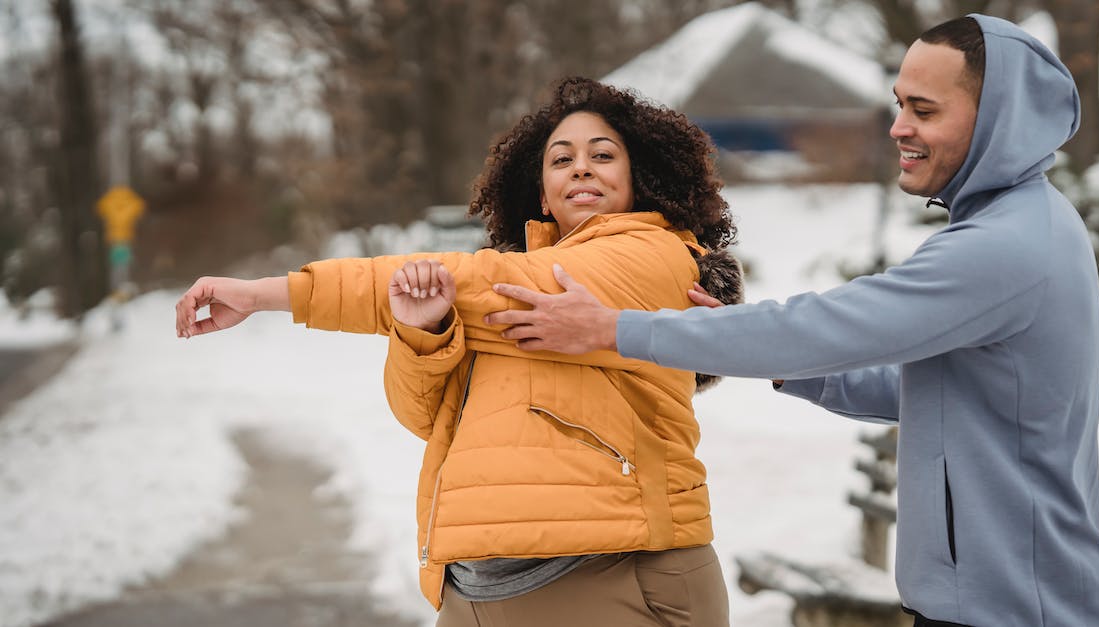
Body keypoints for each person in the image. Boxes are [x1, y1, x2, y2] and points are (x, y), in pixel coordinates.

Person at [482, 16, 1099, 627]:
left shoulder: (1004, 246)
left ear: (997, 119)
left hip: (1016, 606)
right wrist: (780, 362)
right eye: (899, 104)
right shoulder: (1020, 224)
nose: (898, 127)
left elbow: (827, 325)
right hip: (991, 598)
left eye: (924, 110)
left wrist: (615, 329)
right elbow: (928, 389)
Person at [175, 77, 743, 626]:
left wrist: (266, 294)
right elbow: (425, 416)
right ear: (541, 192)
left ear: (640, 176)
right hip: (478, 589)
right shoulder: (516, 284)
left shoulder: (657, 255)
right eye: (561, 159)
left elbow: (476, 280)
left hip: (613, 577)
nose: (581, 168)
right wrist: (426, 331)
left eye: (603, 155)